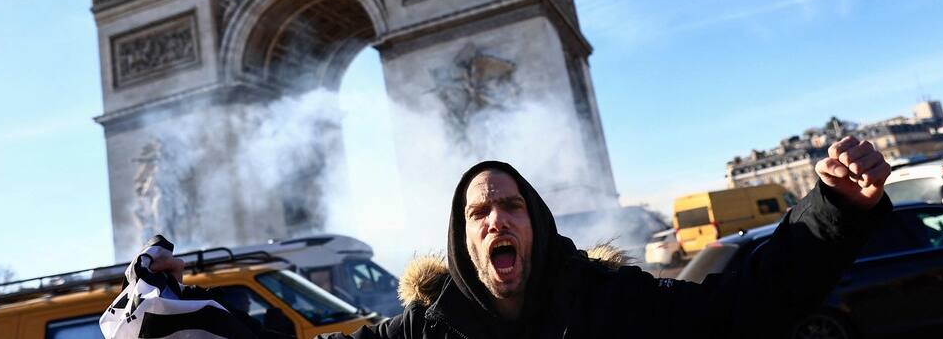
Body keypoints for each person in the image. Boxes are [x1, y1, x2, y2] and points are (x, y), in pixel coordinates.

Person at [136, 136, 891, 339]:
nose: (496, 218)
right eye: (478, 212)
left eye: (512, 205)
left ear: (537, 221)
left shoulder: (614, 303)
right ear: (462, 242)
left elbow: (741, 310)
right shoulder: (418, 337)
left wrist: (831, 208)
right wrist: (179, 315)